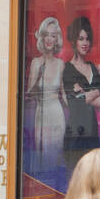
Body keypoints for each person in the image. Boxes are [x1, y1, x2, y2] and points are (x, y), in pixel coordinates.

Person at [62, 16, 100, 173]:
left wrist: (87, 94)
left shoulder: (92, 67)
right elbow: (74, 103)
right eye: (81, 39)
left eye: (87, 39)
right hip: (76, 136)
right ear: (74, 41)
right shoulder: (68, 69)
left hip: (92, 134)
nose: (85, 43)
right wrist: (95, 92)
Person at [26, 17, 67, 175]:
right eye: (47, 35)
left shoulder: (60, 64)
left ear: (57, 39)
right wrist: (38, 77)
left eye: (53, 35)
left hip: (57, 114)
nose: (50, 39)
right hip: (41, 114)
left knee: (56, 157)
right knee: (42, 156)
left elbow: (63, 95)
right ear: (42, 37)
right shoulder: (36, 62)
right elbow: (29, 94)